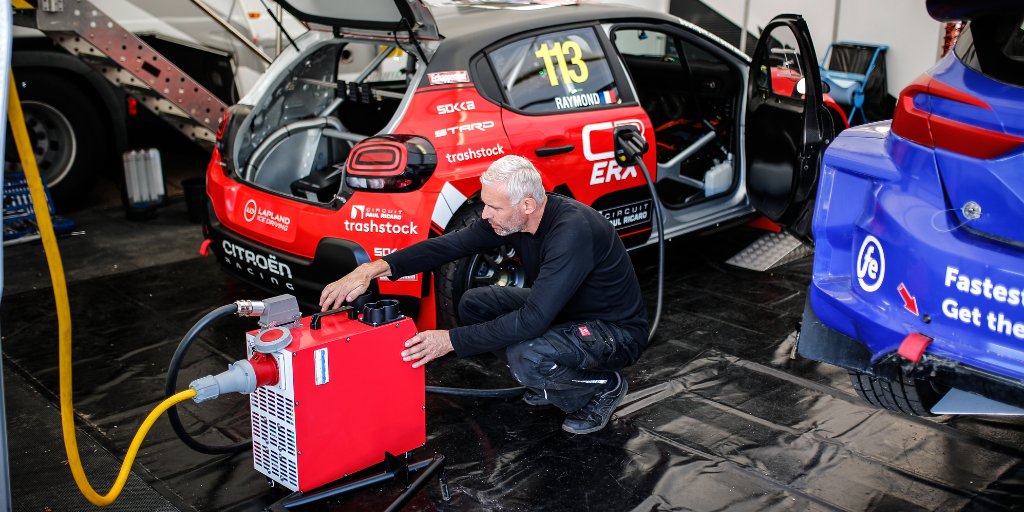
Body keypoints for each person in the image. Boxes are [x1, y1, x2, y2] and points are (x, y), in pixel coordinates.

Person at [320, 155, 650, 434]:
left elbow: (533, 320)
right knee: (475, 305)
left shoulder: (572, 232)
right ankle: (548, 380)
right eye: (485, 204)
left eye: (493, 206)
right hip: (564, 313)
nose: (485, 214)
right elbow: (447, 246)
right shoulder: (515, 219)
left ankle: (602, 387)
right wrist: (371, 269)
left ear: (528, 204)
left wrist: (449, 340)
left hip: (612, 332)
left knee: (528, 354)